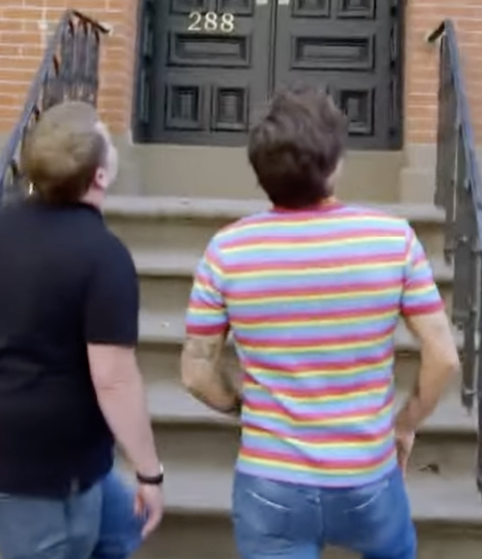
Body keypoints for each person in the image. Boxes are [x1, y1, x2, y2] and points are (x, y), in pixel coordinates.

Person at [180, 86, 462, 559]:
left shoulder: (227, 251)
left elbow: (196, 372)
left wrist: (239, 405)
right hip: (367, 475)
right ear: (335, 165)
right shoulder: (392, 240)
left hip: (271, 480)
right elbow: (443, 356)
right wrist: (406, 423)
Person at [0, 100, 164, 559]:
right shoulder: (105, 257)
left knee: (118, 531)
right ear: (99, 176)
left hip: (56, 454)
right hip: (30, 464)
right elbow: (113, 378)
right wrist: (150, 472)